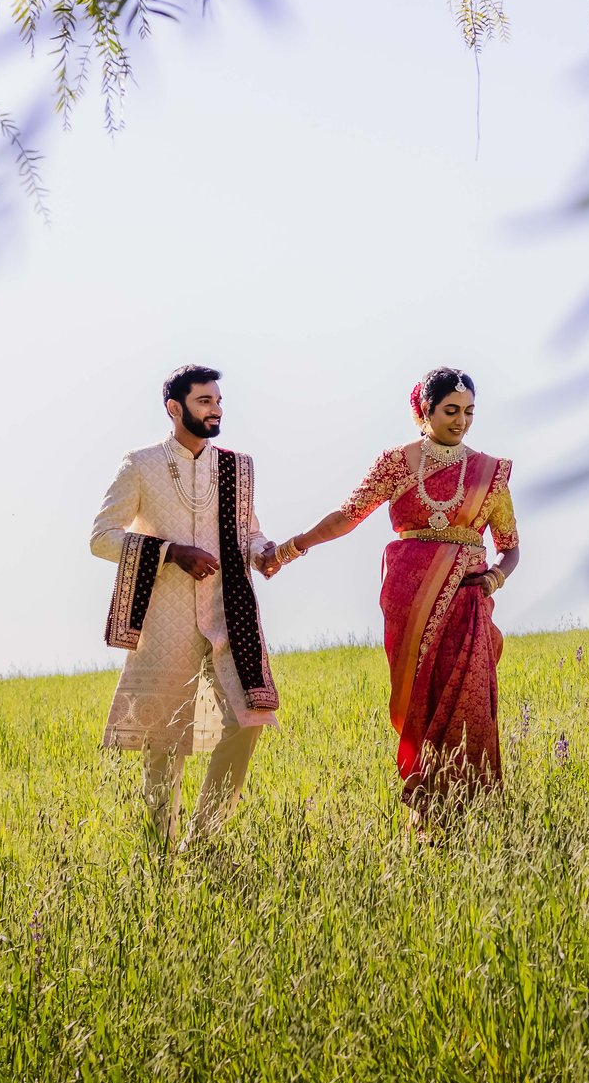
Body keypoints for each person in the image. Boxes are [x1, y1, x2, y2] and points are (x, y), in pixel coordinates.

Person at [275, 366, 520, 827]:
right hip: (409, 601)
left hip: (468, 602)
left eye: (469, 412)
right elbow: (349, 515)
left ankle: (478, 816)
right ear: (423, 411)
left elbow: (509, 547)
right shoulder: (398, 462)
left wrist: (492, 580)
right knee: (417, 703)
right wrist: (293, 547)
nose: (461, 421)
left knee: (470, 703)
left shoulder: (490, 473)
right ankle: (429, 815)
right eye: (450, 411)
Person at [89, 364, 282, 849]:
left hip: (227, 613)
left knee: (247, 719)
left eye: (218, 400)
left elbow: (249, 531)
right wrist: (171, 552)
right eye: (204, 401)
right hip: (164, 617)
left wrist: (264, 552)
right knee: (164, 740)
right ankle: (162, 853)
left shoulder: (238, 467)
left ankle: (204, 840)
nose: (215, 409)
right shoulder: (141, 464)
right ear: (175, 409)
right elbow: (101, 538)